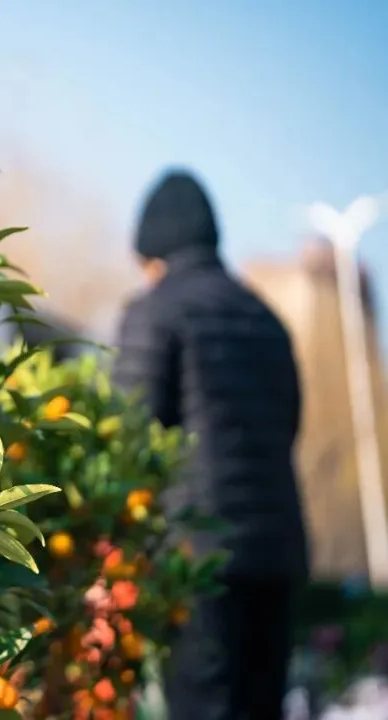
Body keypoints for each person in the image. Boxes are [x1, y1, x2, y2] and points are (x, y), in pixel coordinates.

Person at [113, 169, 309, 720]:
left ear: (153, 254)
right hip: (277, 553)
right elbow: (289, 424)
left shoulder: (154, 312)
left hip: (198, 558)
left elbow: (130, 434)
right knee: (260, 706)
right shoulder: (266, 319)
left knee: (204, 705)